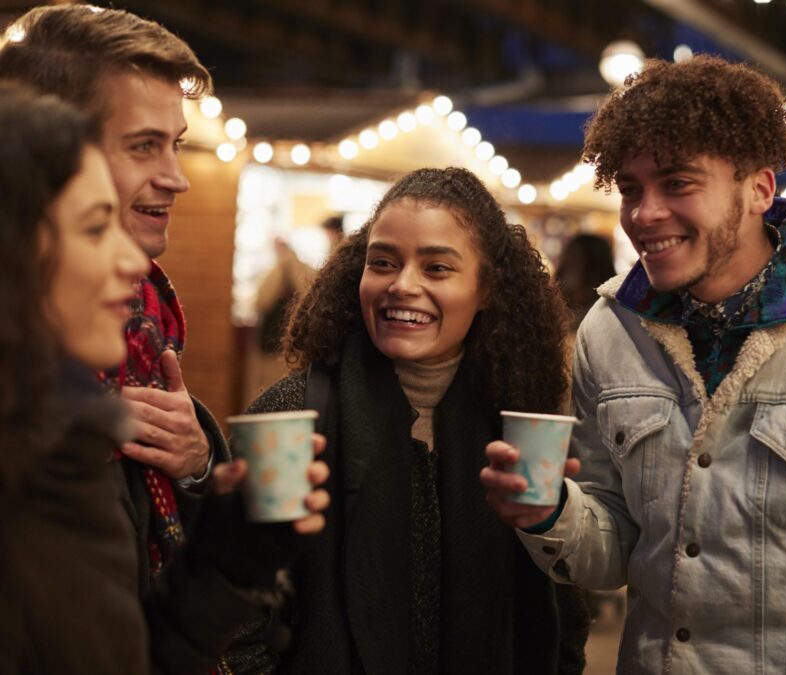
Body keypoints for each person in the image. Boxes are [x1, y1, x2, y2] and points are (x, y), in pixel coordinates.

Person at [482, 54, 786, 674]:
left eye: (678, 183)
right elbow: (618, 550)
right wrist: (550, 511)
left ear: (759, 190)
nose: (644, 213)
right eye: (630, 189)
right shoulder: (609, 331)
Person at [0, 83, 330, 675]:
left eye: (174, 144)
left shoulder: (55, 437)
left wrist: (225, 558)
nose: (132, 264)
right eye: (95, 228)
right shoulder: (45, 455)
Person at [244, 167, 589, 673]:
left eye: (437, 268)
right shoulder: (289, 421)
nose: (403, 286)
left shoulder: (521, 423)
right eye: (382, 262)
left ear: (487, 288)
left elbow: (562, 611)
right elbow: (238, 616)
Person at [0, 4, 227, 601]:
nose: (176, 176)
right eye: (144, 146)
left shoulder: (142, 320)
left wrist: (200, 460)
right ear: (49, 145)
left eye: (175, 144)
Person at [246, 215, 346, 401]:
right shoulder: (303, 269)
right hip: (292, 341)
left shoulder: (282, 267)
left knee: (268, 388)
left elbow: (261, 301)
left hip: (274, 338)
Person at [555, 233, 617, 333]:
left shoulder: (610, 311)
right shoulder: (556, 306)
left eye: (576, 260)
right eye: (568, 259)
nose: (570, 268)